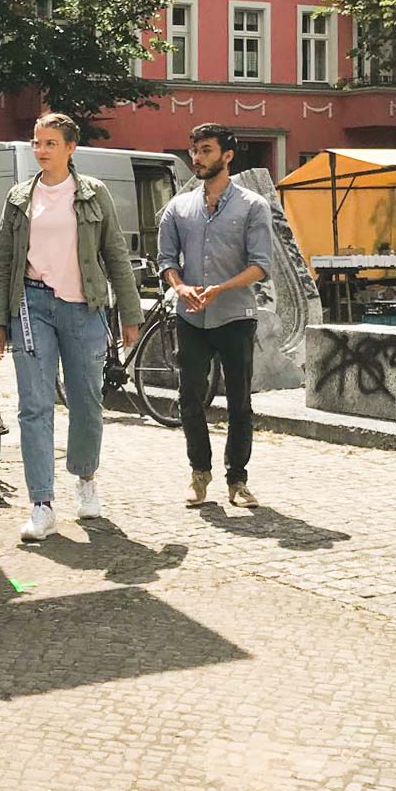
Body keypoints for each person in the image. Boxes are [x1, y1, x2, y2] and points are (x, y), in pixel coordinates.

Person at [0, 113, 142, 543]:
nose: (41, 151)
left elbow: (115, 255)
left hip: (84, 308)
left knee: (86, 402)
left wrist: (130, 314)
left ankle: (86, 478)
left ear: (71, 147)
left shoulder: (95, 194)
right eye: (37, 142)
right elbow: (3, 261)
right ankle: (41, 504)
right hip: (31, 306)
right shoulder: (19, 198)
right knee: (34, 405)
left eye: (50, 143)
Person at [157, 123, 273, 509]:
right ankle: (199, 473)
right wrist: (180, 286)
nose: (197, 158)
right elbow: (166, 261)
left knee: (239, 402)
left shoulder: (253, 206)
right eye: (194, 151)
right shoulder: (178, 207)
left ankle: (237, 480)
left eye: (206, 150)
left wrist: (220, 289)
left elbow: (261, 266)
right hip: (190, 316)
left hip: (235, 314)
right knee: (189, 398)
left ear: (227, 156)